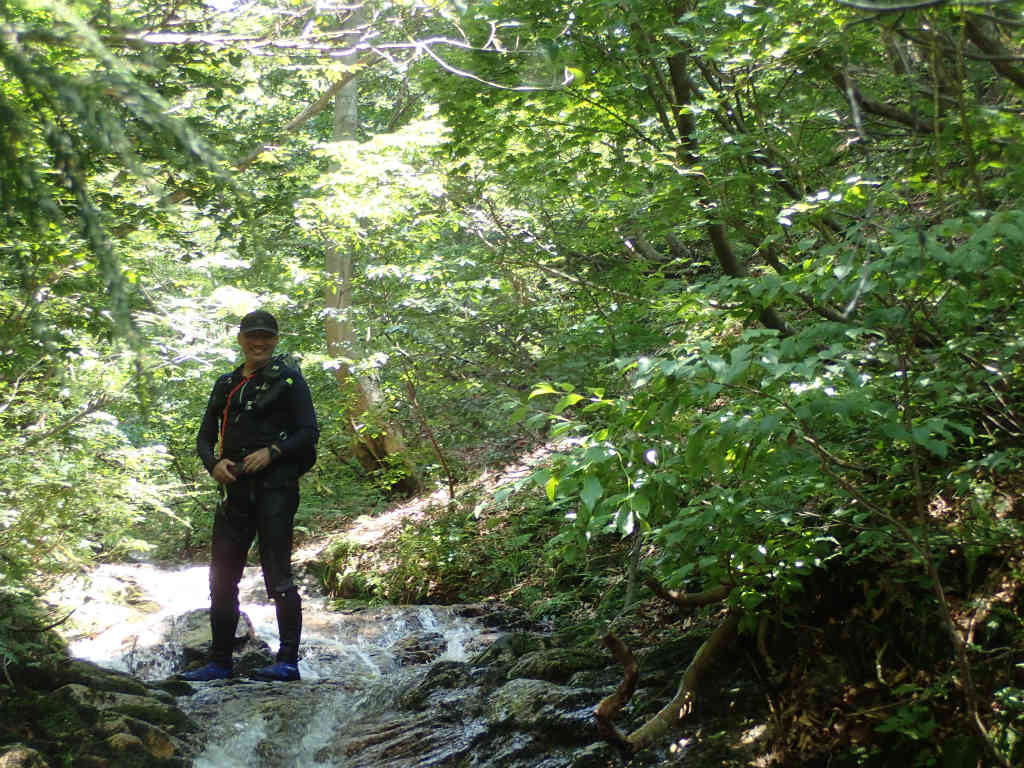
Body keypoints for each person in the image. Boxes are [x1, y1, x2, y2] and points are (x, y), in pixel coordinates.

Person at [183, 310, 317, 682]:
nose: (260, 343)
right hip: (235, 489)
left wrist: (273, 452)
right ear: (241, 339)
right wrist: (213, 464)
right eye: (253, 336)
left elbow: (308, 432)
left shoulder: (289, 380)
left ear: (275, 340)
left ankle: (287, 662)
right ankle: (219, 662)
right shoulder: (226, 384)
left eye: (267, 337)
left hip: (276, 488)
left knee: (278, 575)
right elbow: (205, 436)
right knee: (221, 578)